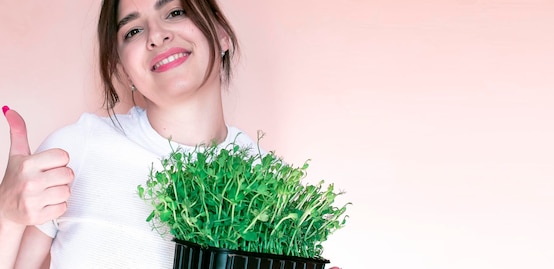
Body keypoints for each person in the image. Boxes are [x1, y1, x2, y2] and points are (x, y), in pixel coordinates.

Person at [0, 0, 342, 268]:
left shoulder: (267, 187)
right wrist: (7, 215)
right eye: (132, 31)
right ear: (124, 69)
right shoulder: (75, 151)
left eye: (176, 12)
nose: (156, 34)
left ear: (221, 34)